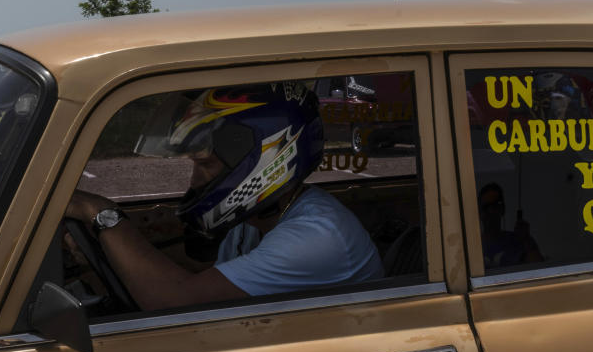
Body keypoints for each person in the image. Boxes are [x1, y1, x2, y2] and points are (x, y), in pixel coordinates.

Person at [66, 82, 385, 311]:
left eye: (205, 164)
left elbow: (176, 301)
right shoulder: (261, 218)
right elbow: (201, 271)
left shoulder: (314, 237)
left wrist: (100, 213)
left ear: (262, 158)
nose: (196, 179)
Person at [478, 182, 543, 269]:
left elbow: (539, 269)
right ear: (479, 212)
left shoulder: (518, 241)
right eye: (486, 207)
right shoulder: (473, 248)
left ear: (503, 209)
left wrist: (526, 239)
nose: (491, 211)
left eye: (495, 205)